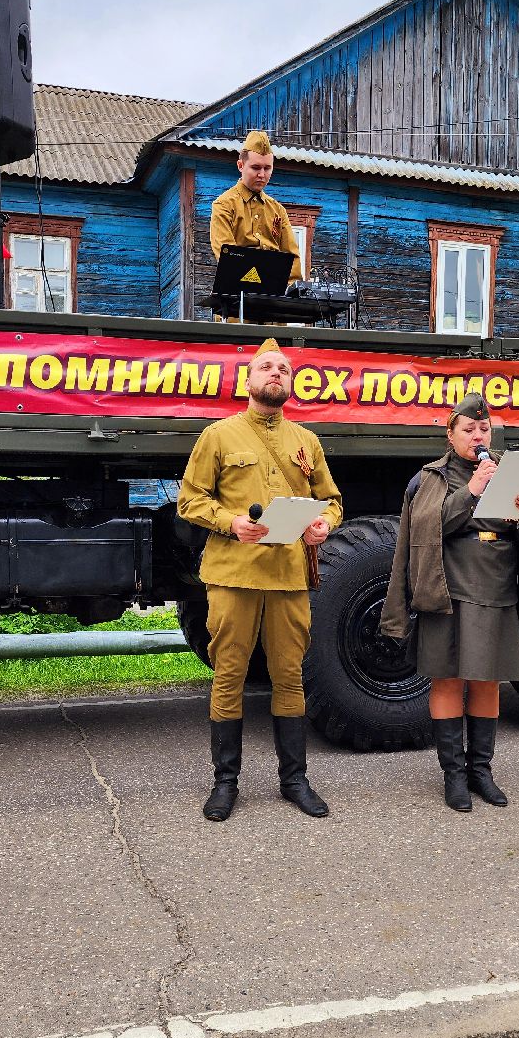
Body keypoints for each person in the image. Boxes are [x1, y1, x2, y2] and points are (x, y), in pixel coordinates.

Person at [177, 338, 343, 821]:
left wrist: (323, 526)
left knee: (289, 676)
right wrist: (233, 523)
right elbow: (190, 500)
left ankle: (294, 780)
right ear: (248, 381)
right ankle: (224, 783)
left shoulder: (305, 441)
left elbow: (331, 500)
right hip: (234, 575)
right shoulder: (219, 436)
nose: (276, 374)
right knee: (228, 675)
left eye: (284, 369)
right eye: (267, 367)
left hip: (290, 576)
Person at [379, 393, 519, 812]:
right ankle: (453, 776)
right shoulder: (431, 479)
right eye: (469, 430)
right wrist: (473, 490)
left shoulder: (508, 473)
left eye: (484, 429)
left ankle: (481, 771)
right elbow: (426, 529)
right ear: (450, 434)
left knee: (488, 680)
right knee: (448, 680)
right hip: (449, 593)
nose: (478, 436)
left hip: (496, 591)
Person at [210, 129, 303, 297]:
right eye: (255, 167)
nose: (262, 174)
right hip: (236, 305)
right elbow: (228, 257)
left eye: (267, 168)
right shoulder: (224, 205)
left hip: (274, 309)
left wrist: (292, 292)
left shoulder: (278, 210)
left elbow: (291, 257)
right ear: (240, 165)